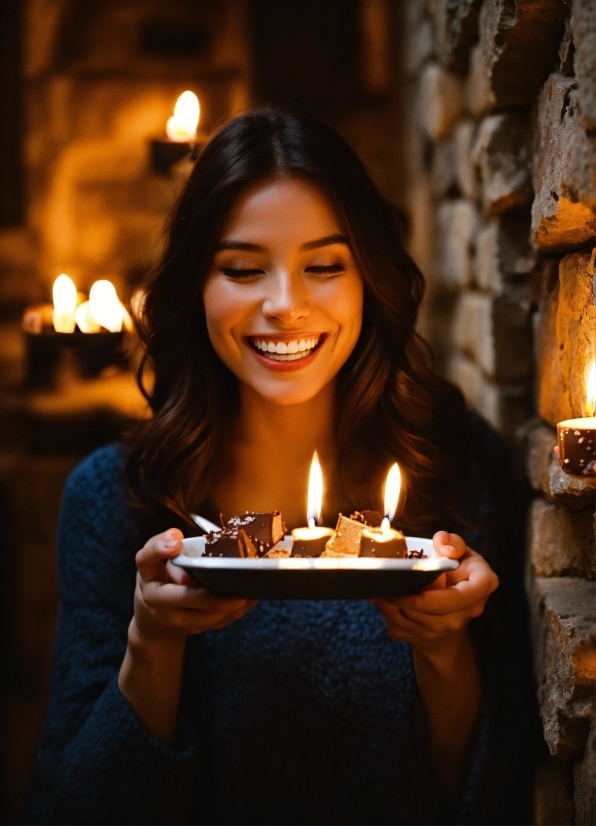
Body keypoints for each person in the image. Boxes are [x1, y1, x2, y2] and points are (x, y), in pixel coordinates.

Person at [25, 110, 537, 825]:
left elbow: (490, 791)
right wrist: (154, 640)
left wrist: (442, 644)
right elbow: (73, 807)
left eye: (324, 266)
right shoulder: (114, 499)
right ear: (195, 287)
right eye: (241, 269)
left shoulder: (458, 468)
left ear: (370, 280)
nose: (285, 307)